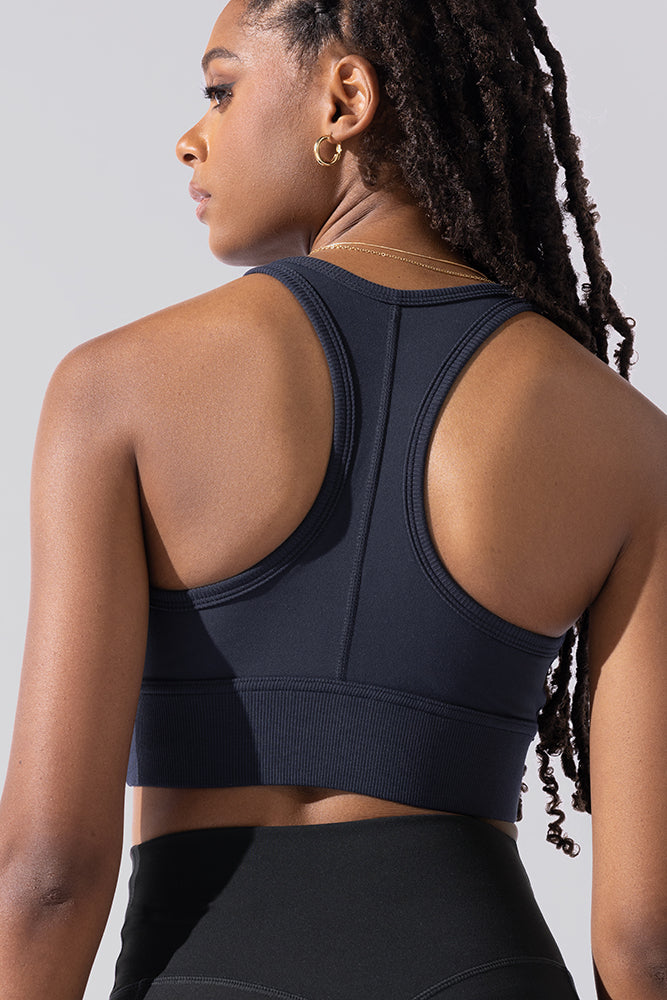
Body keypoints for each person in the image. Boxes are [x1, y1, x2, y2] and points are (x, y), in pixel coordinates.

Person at [0, 0, 665, 998]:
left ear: (345, 99)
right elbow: (647, 939)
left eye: (221, 90)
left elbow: (47, 874)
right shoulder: (627, 441)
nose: (191, 138)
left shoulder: (113, 388)